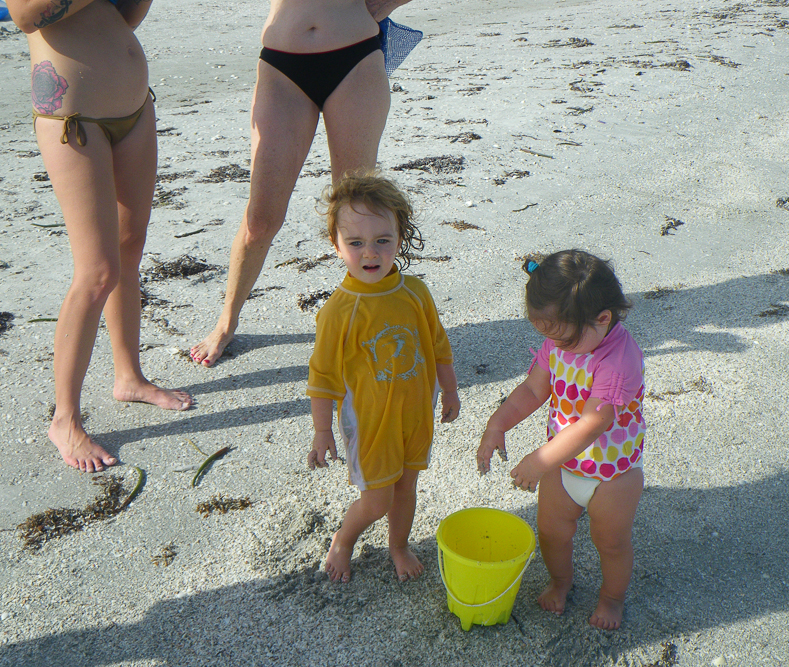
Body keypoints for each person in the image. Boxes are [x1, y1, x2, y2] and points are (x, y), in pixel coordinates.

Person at [8, 0, 193, 473]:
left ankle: (129, 376)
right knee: (97, 271)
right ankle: (65, 419)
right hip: (73, 117)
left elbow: (124, 18)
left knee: (129, 250)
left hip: (133, 107)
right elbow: (27, 14)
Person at [190, 0, 416, 367]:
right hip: (282, 65)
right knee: (260, 220)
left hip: (357, 57)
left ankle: (367, 317)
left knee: (359, 211)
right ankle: (227, 319)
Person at [477, 250, 645, 630]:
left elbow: (591, 425)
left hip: (612, 475)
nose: (556, 345)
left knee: (611, 543)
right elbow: (533, 390)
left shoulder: (618, 361)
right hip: (564, 464)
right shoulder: (562, 341)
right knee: (552, 532)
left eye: (563, 338)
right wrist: (497, 424)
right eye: (546, 335)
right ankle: (561, 582)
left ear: (603, 319)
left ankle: (612, 598)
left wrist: (539, 460)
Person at [306, 172, 460, 583]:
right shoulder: (340, 311)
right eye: (355, 243)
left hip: (414, 415)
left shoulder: (416, 293)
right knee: (376, 499)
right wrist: (323, 430)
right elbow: (321, 377)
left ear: (399, 237)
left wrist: (450, 389)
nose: (370, 252)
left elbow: (439, 345)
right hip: (370, 423)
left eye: (382, 240)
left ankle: (399, 545)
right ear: (336, 246)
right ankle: (344, 538)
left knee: (407, 487)